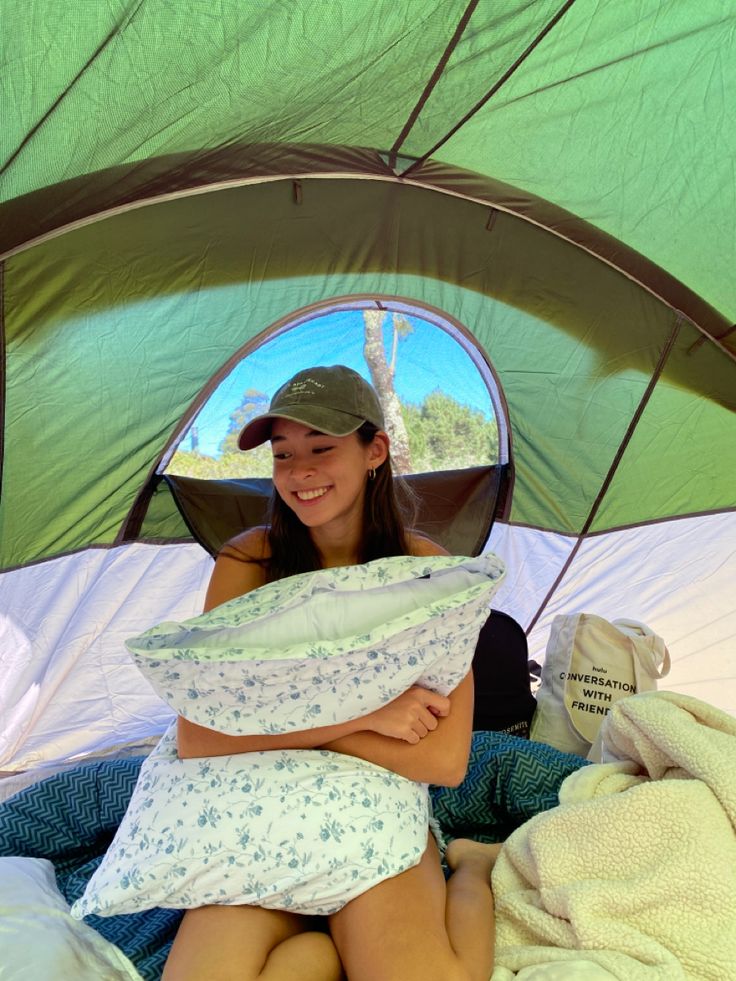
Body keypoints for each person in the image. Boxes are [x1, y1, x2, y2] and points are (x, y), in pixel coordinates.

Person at [164, 365, 502, 981]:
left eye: (321, 449)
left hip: (369, 805)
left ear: (375, 451)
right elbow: (201, 736)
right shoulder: (249, 561)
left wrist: (276, 721)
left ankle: (473, 864)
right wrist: (366, 719)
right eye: (284, 453)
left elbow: (445, 761)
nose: (299, 472)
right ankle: (321, 953)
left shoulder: (427, 571)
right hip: (259, 802)